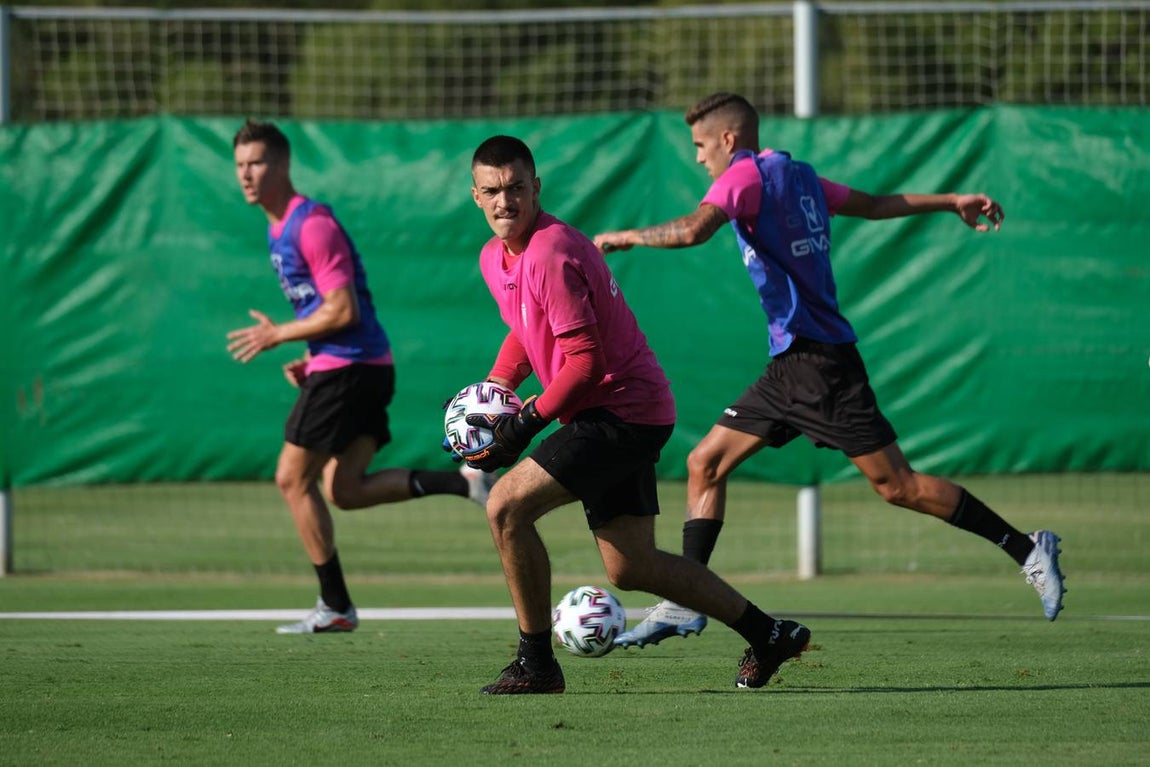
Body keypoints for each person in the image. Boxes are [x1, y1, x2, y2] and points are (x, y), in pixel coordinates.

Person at [592, 92, 1066, 648]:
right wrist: (949, 200)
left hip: (821, 367)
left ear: (728, 139)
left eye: (700, 146)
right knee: (706, 464)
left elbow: (696, 229)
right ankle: (681, 601)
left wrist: (624, 237)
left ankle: (1028, 548)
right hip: (793, 363)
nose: (699, 159)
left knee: (899, 486)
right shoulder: (799, 174)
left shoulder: (742, 177)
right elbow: (874, 203)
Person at [460, 134, 810, 694]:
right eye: (493, 191)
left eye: (517, 188)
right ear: (475, 196)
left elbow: (584, 363)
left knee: (505, 508)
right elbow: (528, 331)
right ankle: (768, 633)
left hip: (618, 411)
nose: (506, 200)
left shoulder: (551, 252)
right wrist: (497, 389)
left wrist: (522, 424)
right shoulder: (496, 258)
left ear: (536, 189)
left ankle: (536, 664)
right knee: (632, 567)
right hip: (621, 411)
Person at [227, 119, 494, 634]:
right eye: (240, 165)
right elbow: (328, 312)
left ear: (282, 165)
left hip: (352, 367)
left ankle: (335, 606)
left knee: (291, 478)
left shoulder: (312, 224)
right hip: (353, 366)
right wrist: (310, 357)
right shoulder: (276, 227)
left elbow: (344, 309)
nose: (247, 174)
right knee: (343, 490)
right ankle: (466, 482)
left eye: (257, 162)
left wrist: (280, 335)